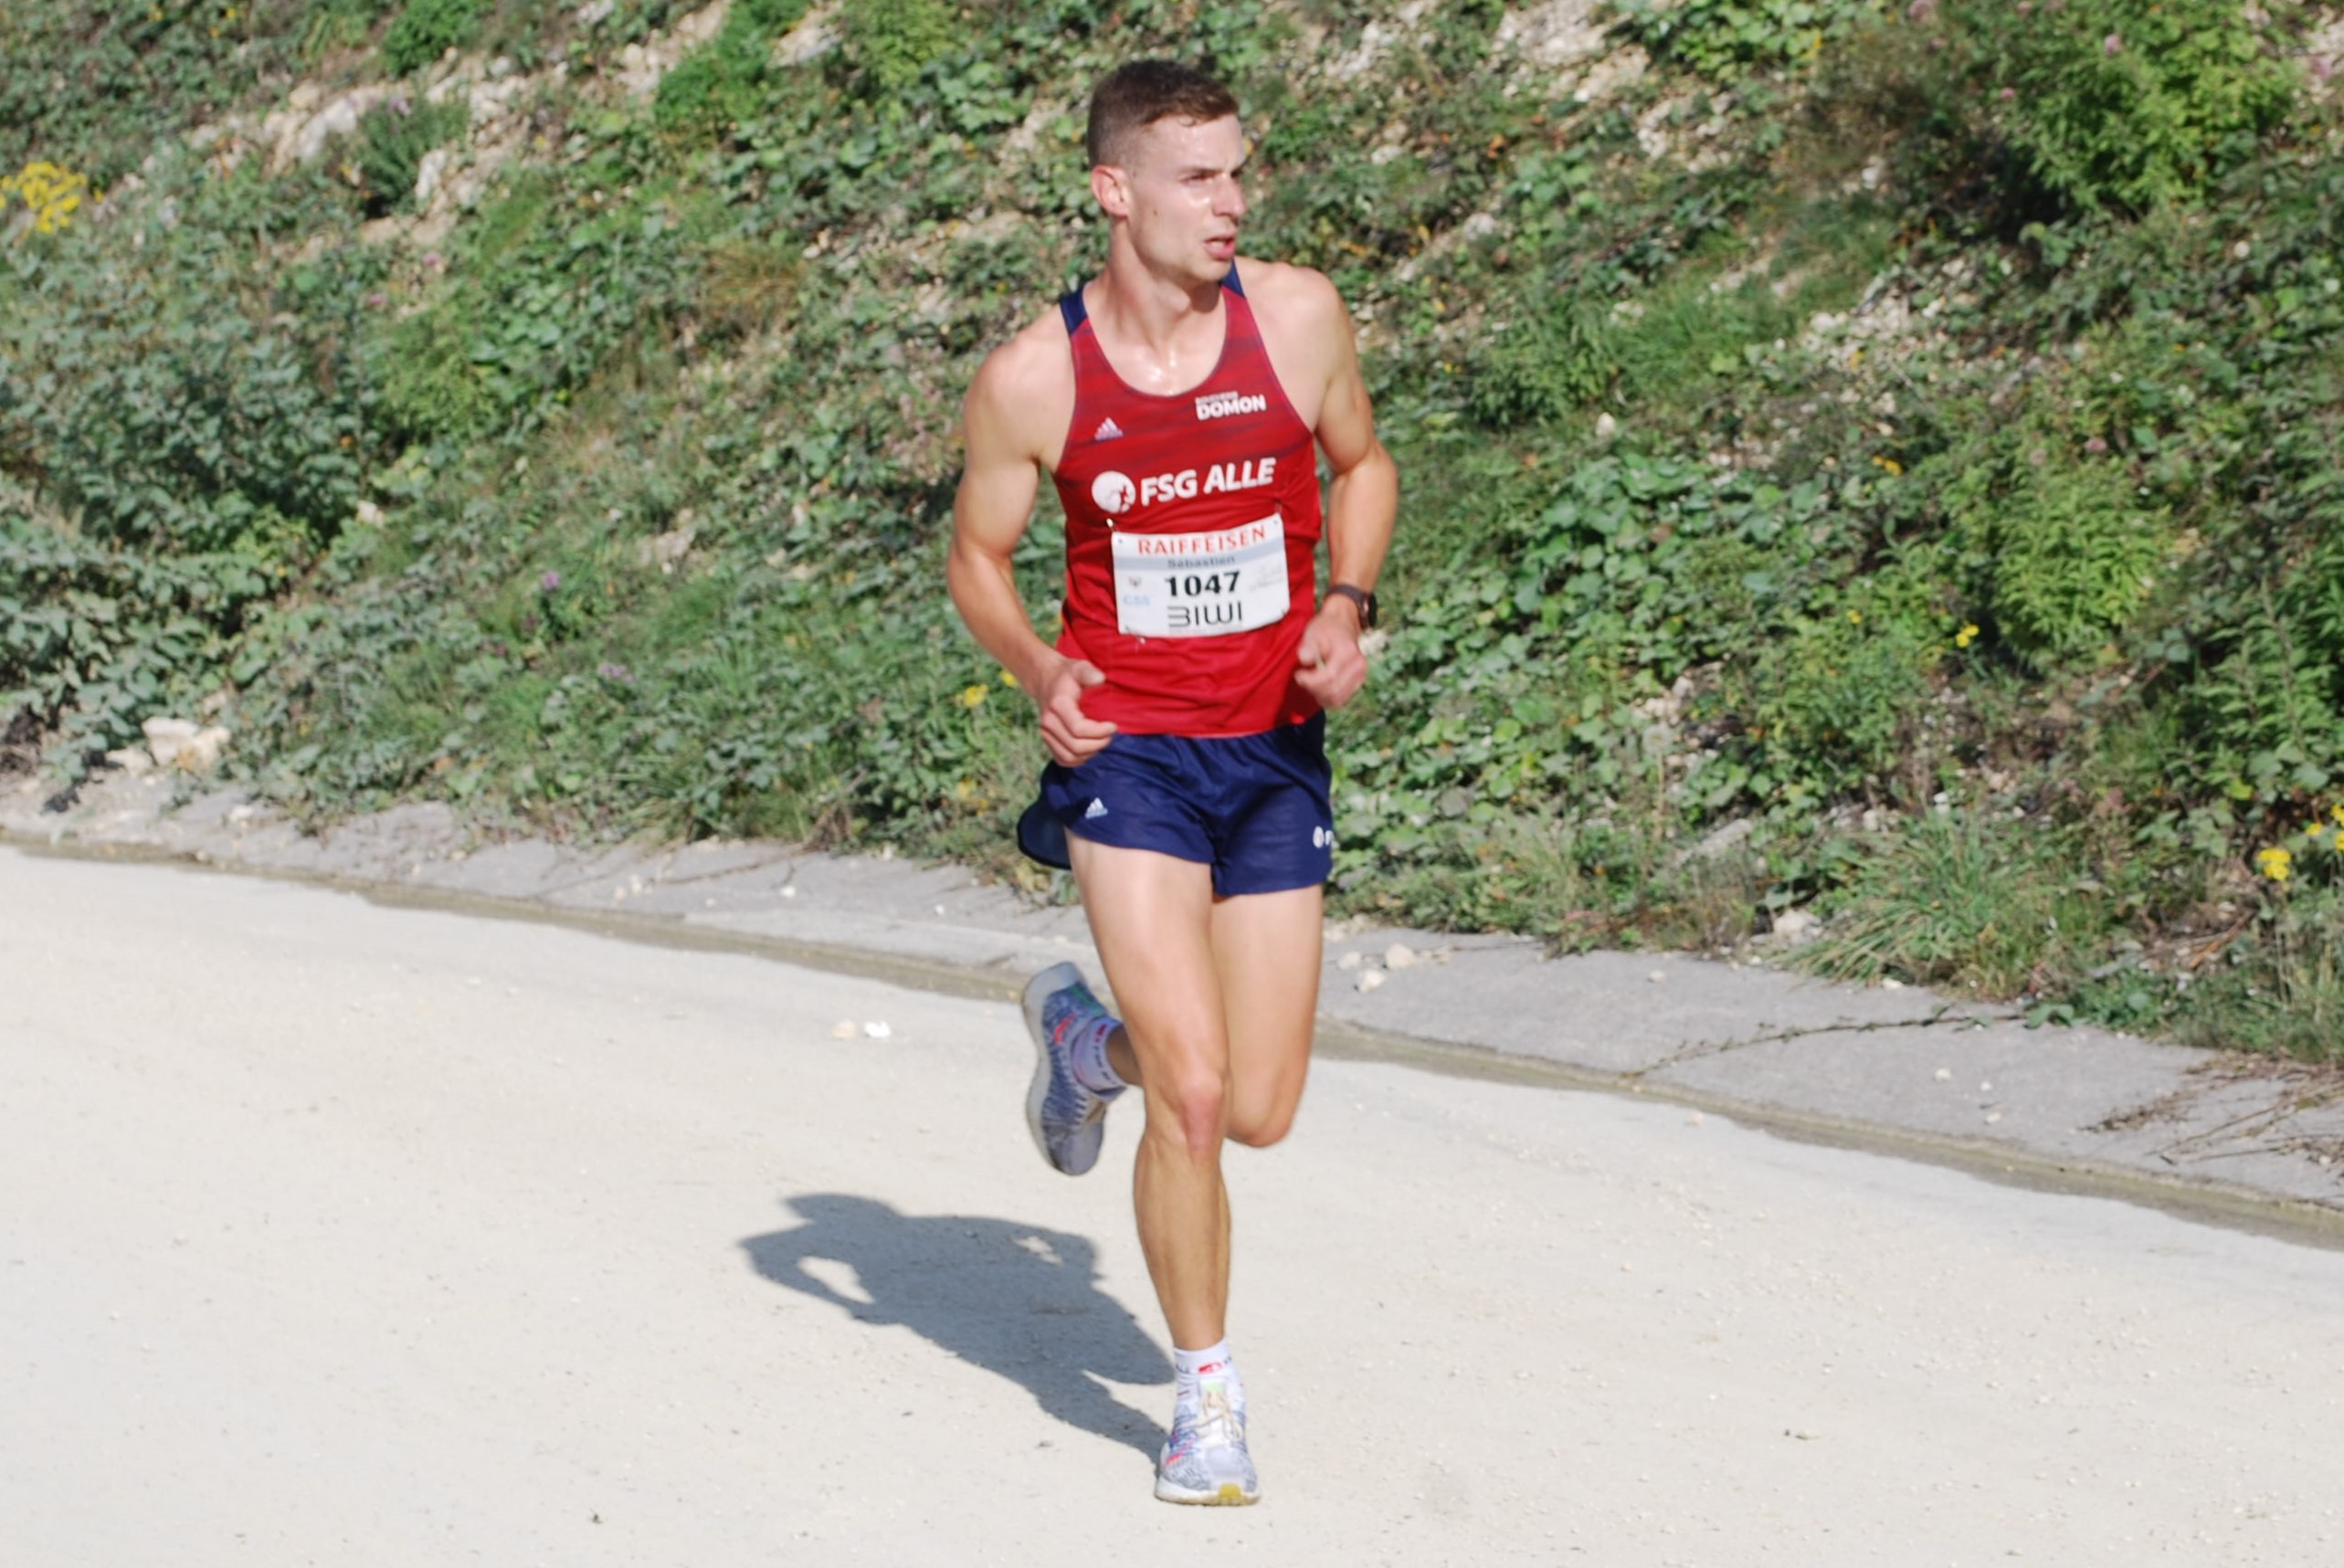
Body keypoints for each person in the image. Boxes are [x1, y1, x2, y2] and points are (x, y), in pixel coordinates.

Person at [945, 58, 1397, 1507]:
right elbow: (977, 559)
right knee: (1192, 1094)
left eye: (1236, 171)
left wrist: (1346, 604)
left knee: (1256, 1105)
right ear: (1113, 190)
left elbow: (1363, 464)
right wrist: (1038, 667)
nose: (1229, 200)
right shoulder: (1036, 376)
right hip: (1130, 757)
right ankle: (1206, 1402)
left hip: (1270, 749)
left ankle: (1085, 1045)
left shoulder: (1297, 316)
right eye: (1196, 176)